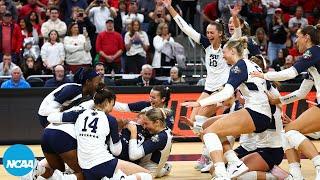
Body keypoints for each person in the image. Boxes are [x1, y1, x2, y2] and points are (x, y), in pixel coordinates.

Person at [182, 37, 272, 179]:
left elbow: (227, 93)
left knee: (209, 133)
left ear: (232, 51)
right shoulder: (252, 65)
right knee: (208, 124)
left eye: (224, 52)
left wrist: (200, 103)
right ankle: (235, 162)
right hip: (259, 112)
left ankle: (221, 173)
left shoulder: (239, 66)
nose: (222, 56)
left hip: (256, 112)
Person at [251, 25, 320, 180]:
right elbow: (302, 92)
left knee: (289, 131)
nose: (296, 41)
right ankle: (296, 174)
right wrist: (278, 100)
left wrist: (264, 76)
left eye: (298, 36)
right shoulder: (314, 60)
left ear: (307, 37)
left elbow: (290, 73)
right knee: (288, 130)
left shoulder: (314, 51)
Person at [162, 0, 236, 129]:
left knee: (200, 119)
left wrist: (235, 17)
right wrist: (169, 7)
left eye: (212, 33)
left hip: (222, 88)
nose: (209, 35)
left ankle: (225, 103)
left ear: (220, 33)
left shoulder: (227, 46)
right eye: (207, 33)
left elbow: (238, 35)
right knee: (193, 122)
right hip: (208, 88)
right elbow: (185, 28)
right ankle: (221, 113)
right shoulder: (206, 44)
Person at [73, 87, 152, 180]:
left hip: (84, 166)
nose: (112, 109)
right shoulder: (110, 119)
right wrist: (117, 132)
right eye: (112, 105)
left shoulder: (81, 114)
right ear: (108, 101)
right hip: (103, 163)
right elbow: (116, 151)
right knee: (147, 175)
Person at [127, 108, 173, 178]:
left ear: (157, 122)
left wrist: (133, 132)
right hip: (156, 169)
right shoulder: (167, 130)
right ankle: (165, 169)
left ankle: (164, 170)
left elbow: (133, 156)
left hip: (146, 173)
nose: (144, 127)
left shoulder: (160, 138)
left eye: (146, 123)